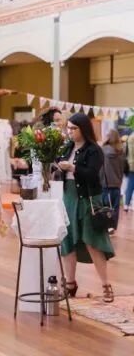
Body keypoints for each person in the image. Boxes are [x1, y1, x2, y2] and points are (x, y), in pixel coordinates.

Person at [57, 113, 115, 303]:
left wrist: (72, 168)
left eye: (74, 128)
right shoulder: (68, 147)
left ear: (83, 129)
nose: (70, 131)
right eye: (68, 128)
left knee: (93, 242)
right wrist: (59, 166)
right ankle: (70, 284)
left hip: (88, 199)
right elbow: (59, 165)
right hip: (68, 197)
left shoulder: (94, 150)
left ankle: (106, 285)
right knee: (67, 241)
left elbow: (91, 174)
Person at [100, 129, 124, 235]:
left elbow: (100, 169)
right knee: (115, 207)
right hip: (117, 184)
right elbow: (123, 168)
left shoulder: (102, 150)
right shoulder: (121, 151)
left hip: (105, 183)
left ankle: (106, 225)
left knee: (105, 206)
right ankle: (112, 226)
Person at [124, 130, 134, 211]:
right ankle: (127, 203)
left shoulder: (130, 137)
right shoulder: (132, 138)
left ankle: (126, 204)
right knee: (131, 184)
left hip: (130, 164)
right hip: (132, 165)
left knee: (130, 184)